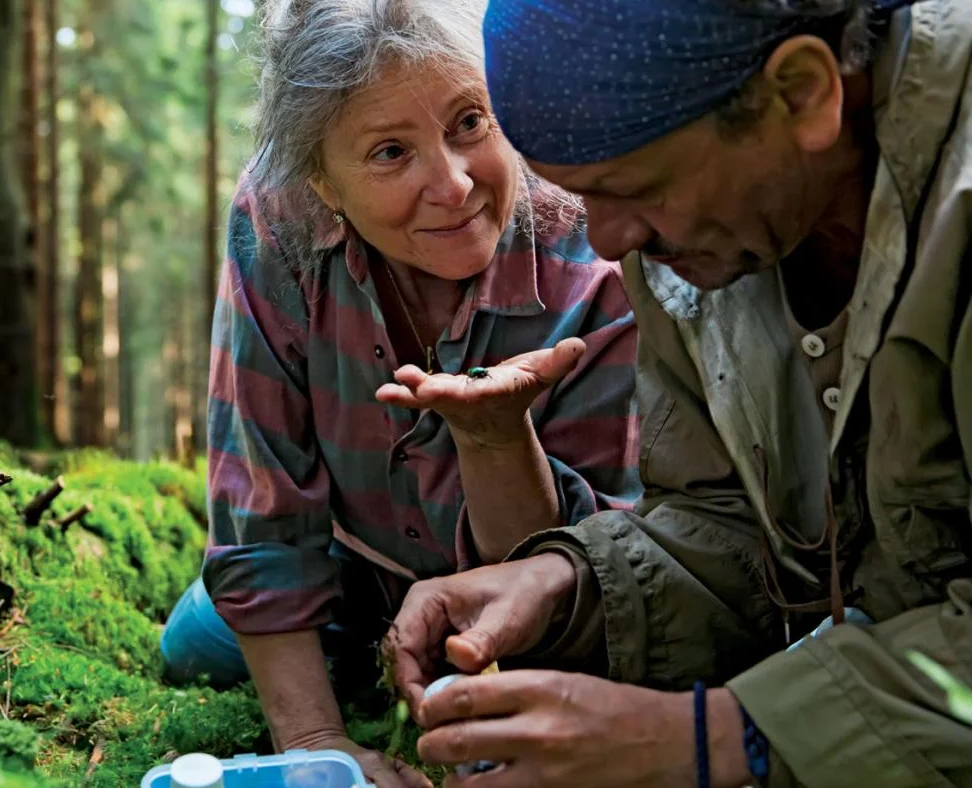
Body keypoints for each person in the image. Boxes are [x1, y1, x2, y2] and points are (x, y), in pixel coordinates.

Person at [385, 0, 972, 785]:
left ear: (801, 92)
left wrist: (717, 739)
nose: (606, 242)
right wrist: (569, 582)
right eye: (580, 196)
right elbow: (728, 524)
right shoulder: (704, 238)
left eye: (633, 186)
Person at [158, 0, 642, 784]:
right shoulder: (276, 216)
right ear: (322, 179)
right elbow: (260, 502)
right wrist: (316, 745)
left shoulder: (593, 242)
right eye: (390, 152)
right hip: (348, 564)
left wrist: (493, 441)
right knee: (193, 649)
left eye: (470, 123)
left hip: (527, 598)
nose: (451, 185)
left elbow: (594, 565)